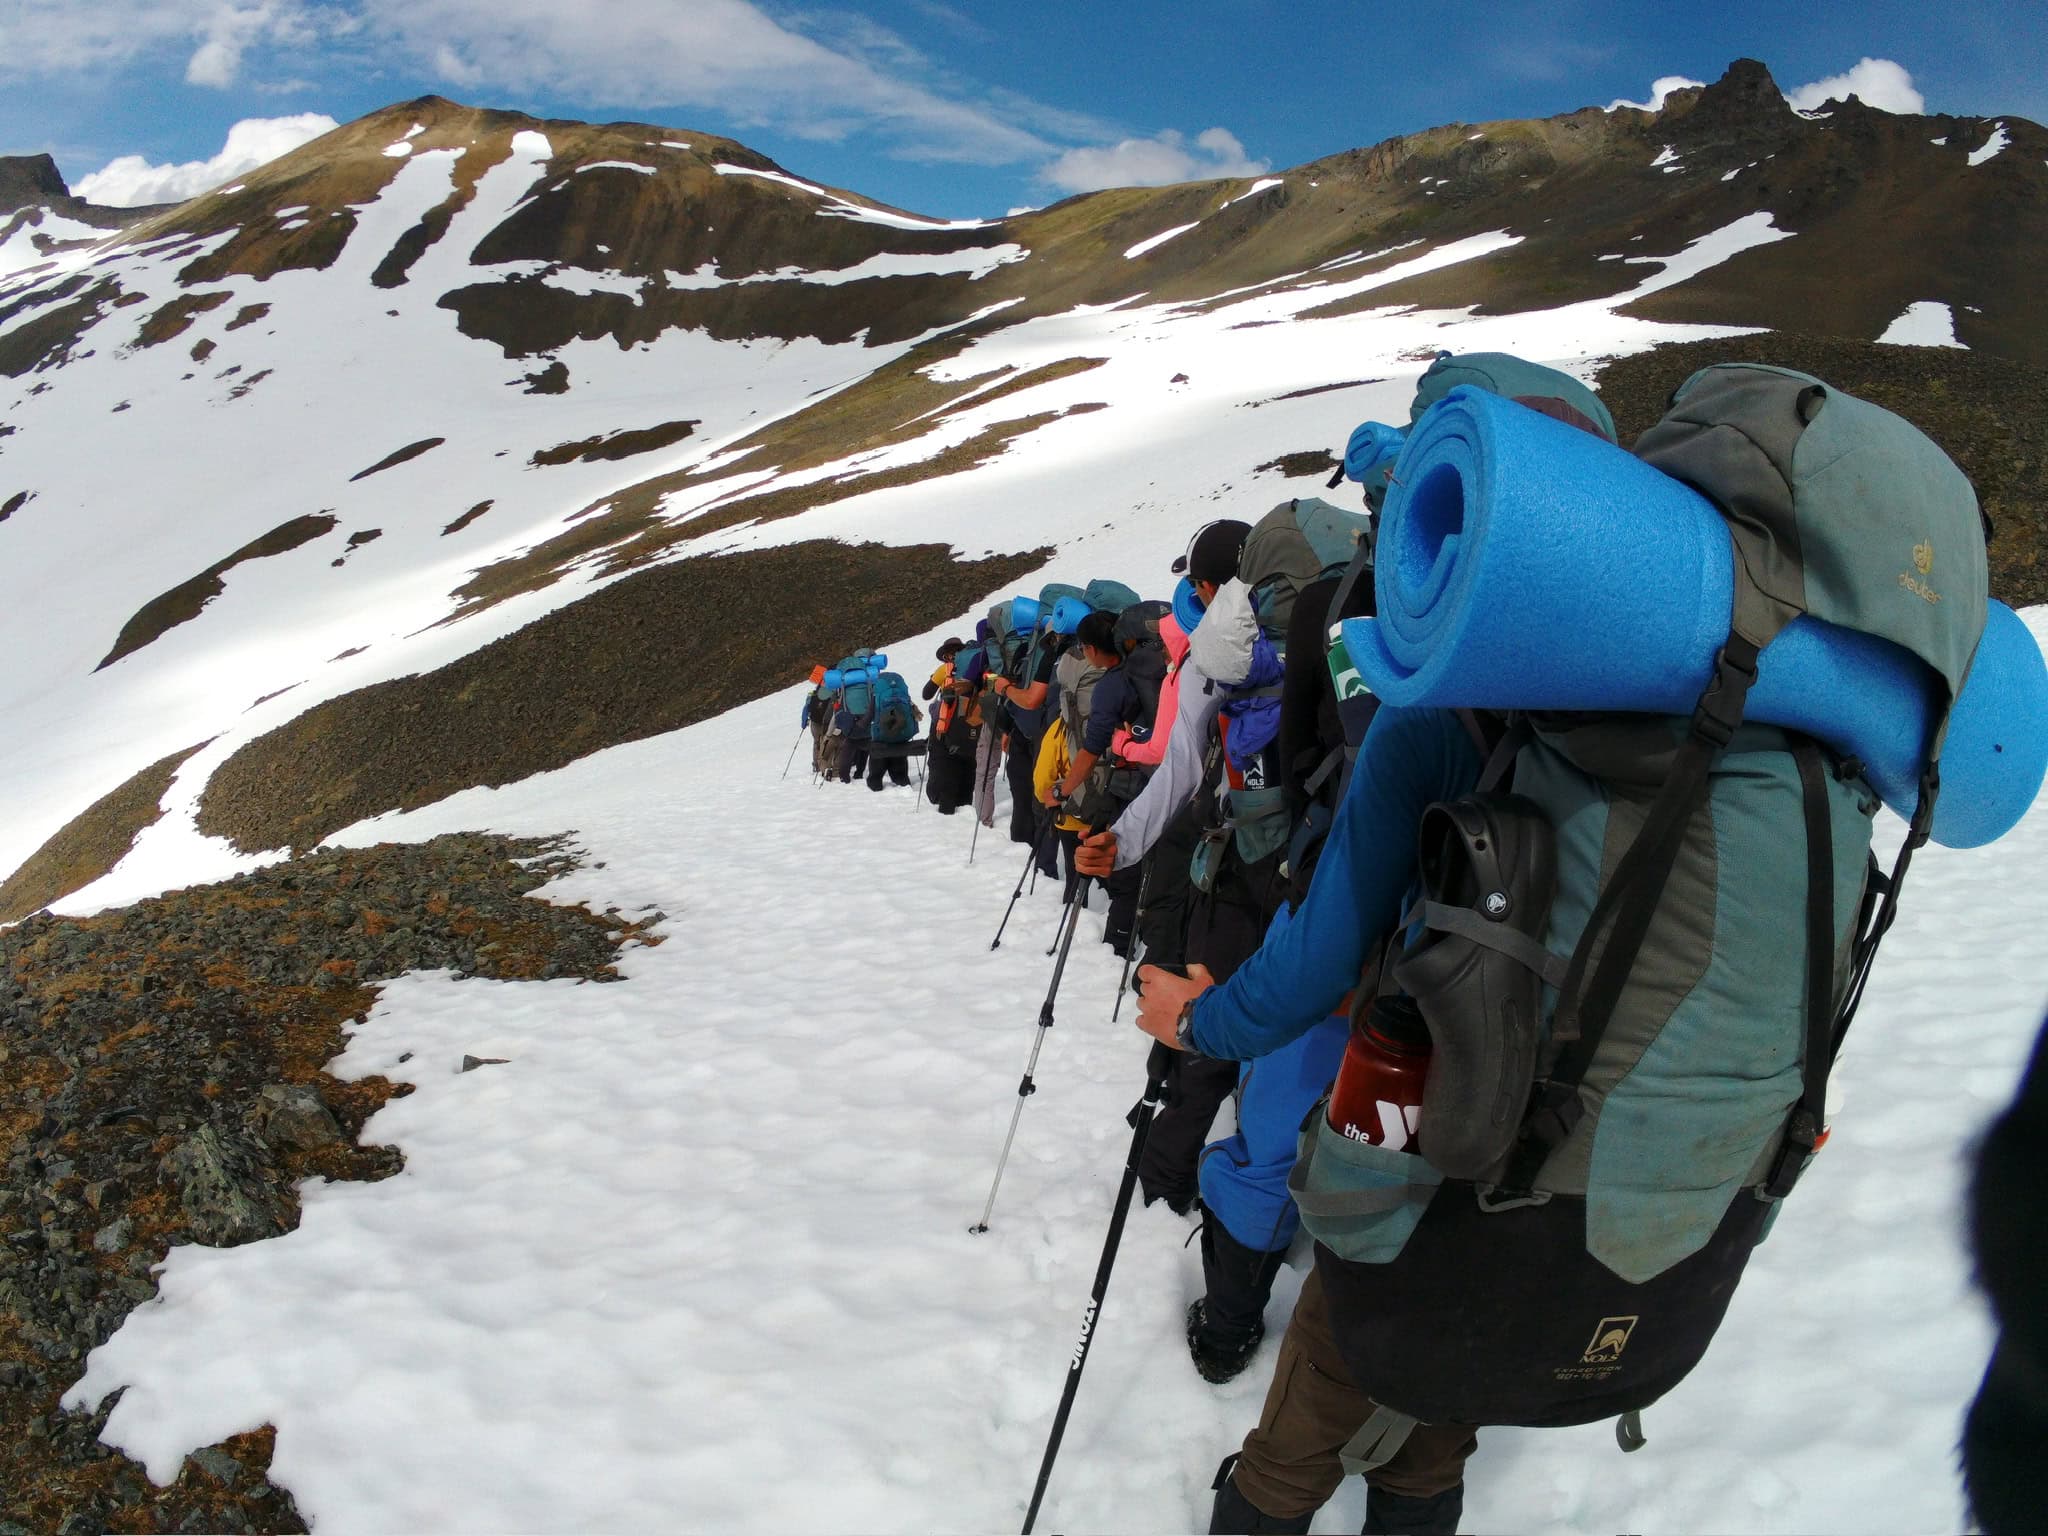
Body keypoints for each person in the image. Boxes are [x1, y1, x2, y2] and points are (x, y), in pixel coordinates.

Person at [1132, 701, 1488, 1534]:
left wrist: (1196, 1023)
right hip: (1545, 1134)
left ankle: (1228, 1334)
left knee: (1278, 1180)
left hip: (1382, 1054)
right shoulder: (1749, 726)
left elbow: (1321, 957)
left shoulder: (1436, 723)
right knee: (1443, 1394)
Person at [1044, 609, 1148, 954]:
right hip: (1172, 781)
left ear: (1089, 650)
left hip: (1130, 784)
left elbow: (1089, 751)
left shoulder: (1112, 686)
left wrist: (1063, 789)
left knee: (1124, 872)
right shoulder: (1152, 668)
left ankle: (1117, 949)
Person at [990, 608, 1064, 880]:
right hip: (1059, 734)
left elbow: (1030, 699)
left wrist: (1005, 691)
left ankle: (1041, 866)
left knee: (1032, 796)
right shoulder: (1070, 648)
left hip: (1036, 731)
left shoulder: (1039, 652)